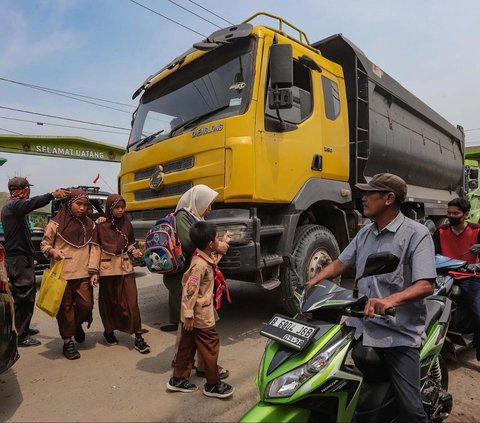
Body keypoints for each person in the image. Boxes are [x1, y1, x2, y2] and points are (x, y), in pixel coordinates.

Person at [306, 173, 435, 423]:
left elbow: (426, 285)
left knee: (411, 410)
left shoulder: (416, 234)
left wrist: (390, 301)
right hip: (361, 327)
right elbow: (341, 263)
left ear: (388, 198)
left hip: (398, 334)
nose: (362, 198)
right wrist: (312, 282)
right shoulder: (366, 233)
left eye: (368, 193)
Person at [163, 184, 230, 378]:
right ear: (198, 201)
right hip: (185, 278)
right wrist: (218, 245)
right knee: (203, 324)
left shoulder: (195, 217)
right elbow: (191, 242)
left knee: (188, 324)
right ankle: (205, 368)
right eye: (208, 204)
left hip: (192, 278)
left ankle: (182, 363)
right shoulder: (183, 216)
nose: (210, 209)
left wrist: (220, 246)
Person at [167, 221, 234, 398]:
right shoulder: (199, 265)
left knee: (187, 347)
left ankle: (178, 379)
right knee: (211, 347)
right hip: (200, 315)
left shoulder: (201, 257)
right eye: (217, 238)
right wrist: (188, 315)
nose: (218, 241)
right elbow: (189, 292)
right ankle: (212, 384)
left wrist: (224, 244)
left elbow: (213, 264)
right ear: (210, 244)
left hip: (194, 315)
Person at [1, 176, 69, 347]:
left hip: (20, 258)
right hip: (18, 259)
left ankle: (23, 328)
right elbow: (33, 203)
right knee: (24, 296)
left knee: (24, 296)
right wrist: (52, 195)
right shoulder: (14, 206)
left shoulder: (12, 207)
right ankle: (22, 336)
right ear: (24, 190)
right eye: (27, 189)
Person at [88, 194, 150, 354]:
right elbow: (95, 249)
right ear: (110, 208)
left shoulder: (127, 223)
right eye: (117, 207)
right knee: (110, 303)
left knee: (132, 303)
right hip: (107, 271)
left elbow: (129, 244)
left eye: (123, 207)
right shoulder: (100, 226)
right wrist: (93, 271)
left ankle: (138, 337)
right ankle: (109, 332)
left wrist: (134, 251)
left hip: (125, 268)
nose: (121, 210)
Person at [40, 189, 95, 360]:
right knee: (65, 309)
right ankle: (67, 342)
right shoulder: (55, 224)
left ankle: (77, 324)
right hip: (62, 275)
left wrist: (94, 271)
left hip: (84, 273)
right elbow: (44, 245)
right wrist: (52, 251)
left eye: (85, 205)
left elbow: (95, 249)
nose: (82, 208)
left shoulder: (90, 225)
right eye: (79, 204)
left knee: (87, 305)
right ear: (69, 203)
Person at [432, 197, 480, 361]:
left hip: (469, 275)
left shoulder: (476, 231)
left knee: (478, 313)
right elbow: (432, 254)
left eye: (456, 213)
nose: (451, 216)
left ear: (465, 215)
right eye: (449, 213)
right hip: (445, 275)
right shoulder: (441, 232)